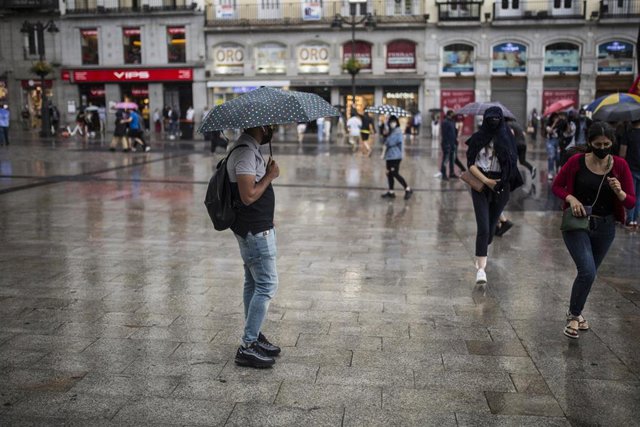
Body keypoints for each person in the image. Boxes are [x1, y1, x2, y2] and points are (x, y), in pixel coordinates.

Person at [552, 122, 636, 339]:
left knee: (589, 274)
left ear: (612, 144)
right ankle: (573, 315)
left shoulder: (620, 165)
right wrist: (570, 198)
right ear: (590, 143)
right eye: (598, 144)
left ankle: (577, 313)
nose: (602, 147)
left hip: (605, 228)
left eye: (607, 144)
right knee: (587, 270)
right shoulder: (575, 162)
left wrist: (620, 192)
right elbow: (557, 186)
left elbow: (631, 203)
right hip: (577, 224)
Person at [226, 124, 281, 368]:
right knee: (267, 284)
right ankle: (247, 346)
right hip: (254, 231)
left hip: (255, 227)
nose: (274, 128)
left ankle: (254, 334)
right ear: (261, 125)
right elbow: (248, 195)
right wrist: (270, 176)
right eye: (271, 125)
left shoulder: (249, 149)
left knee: (253, 282)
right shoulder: (245, 152)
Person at [466, 106, 523, 285]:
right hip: (480, 185)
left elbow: (513, 162)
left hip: (501, 186)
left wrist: (501, 179)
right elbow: (470, 164)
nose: (493, 122)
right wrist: (486, 181)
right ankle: (481, 269)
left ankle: (486, 245)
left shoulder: (507, 137)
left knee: (490, 229)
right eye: (490, 119)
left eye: (496, 119)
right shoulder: (478, 138)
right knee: (483, 227)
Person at [380, 115, 413, 200]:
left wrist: (386, 137)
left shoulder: (397, 132)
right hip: (389, 156)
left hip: (396, 156)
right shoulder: (391, 131)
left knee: (394, 173)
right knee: (389, 173)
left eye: (394, 122)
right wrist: (385, 134)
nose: (392, 124)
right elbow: (385, 142)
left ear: (397, 123)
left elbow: (390, 143)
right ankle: (391, 192)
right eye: (391, 122)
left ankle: (408, 189)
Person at [620, 119, 640, 228]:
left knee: (630, 194)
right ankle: (635, 220)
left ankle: (629, 219)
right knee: (639, 196)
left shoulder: (627, 134)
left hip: (630, 168)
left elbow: (622, 153)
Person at [440, 110, 457, 180]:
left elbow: (453, 133)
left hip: (453, 143)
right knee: (445, 159)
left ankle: (451, 173)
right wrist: (447, 144)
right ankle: (443, 174)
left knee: (452, 159)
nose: (454, 114)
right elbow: (444, 134)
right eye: (453, 113)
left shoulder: (452, 122)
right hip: (447, 144)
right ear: (449, 114)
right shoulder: (445, 122)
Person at [546, 113, 561, 180]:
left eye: (556, 117)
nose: (556, 119)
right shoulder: (548, 125)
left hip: (558, 142)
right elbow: (549, 131)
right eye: (554, 118)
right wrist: (554, 123)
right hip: (551, 141)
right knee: (551, 157)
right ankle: (550, 172)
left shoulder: (560, 125)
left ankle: (557, 170)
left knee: (558, 157)